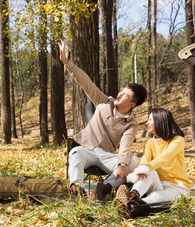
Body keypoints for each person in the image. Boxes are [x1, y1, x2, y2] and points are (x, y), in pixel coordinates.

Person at [58, 41, 147, 199]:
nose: (119, 95)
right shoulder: (104, 101)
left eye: (125, 95)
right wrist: (67, 62)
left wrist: (121, 164)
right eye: (122, 91)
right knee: (75, 152)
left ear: (132, 104)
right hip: (86, 149)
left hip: (106, 156)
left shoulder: (131, 124)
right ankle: (76, 189)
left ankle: (103, 189)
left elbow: (125, 146)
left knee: (132, 160)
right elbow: (85, 82)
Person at [115, 108, 191, 214]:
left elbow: (165, 157)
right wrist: (141, 170)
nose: (147, 122)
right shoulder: (150, 142)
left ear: (160, 121)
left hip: (177, 188)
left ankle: (131, 205)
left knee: (155, 196)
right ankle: (132, 196)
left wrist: (145, 168)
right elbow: (145, 161)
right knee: (149, 172)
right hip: (158, 184)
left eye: (150, 119)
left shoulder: (177, 140)